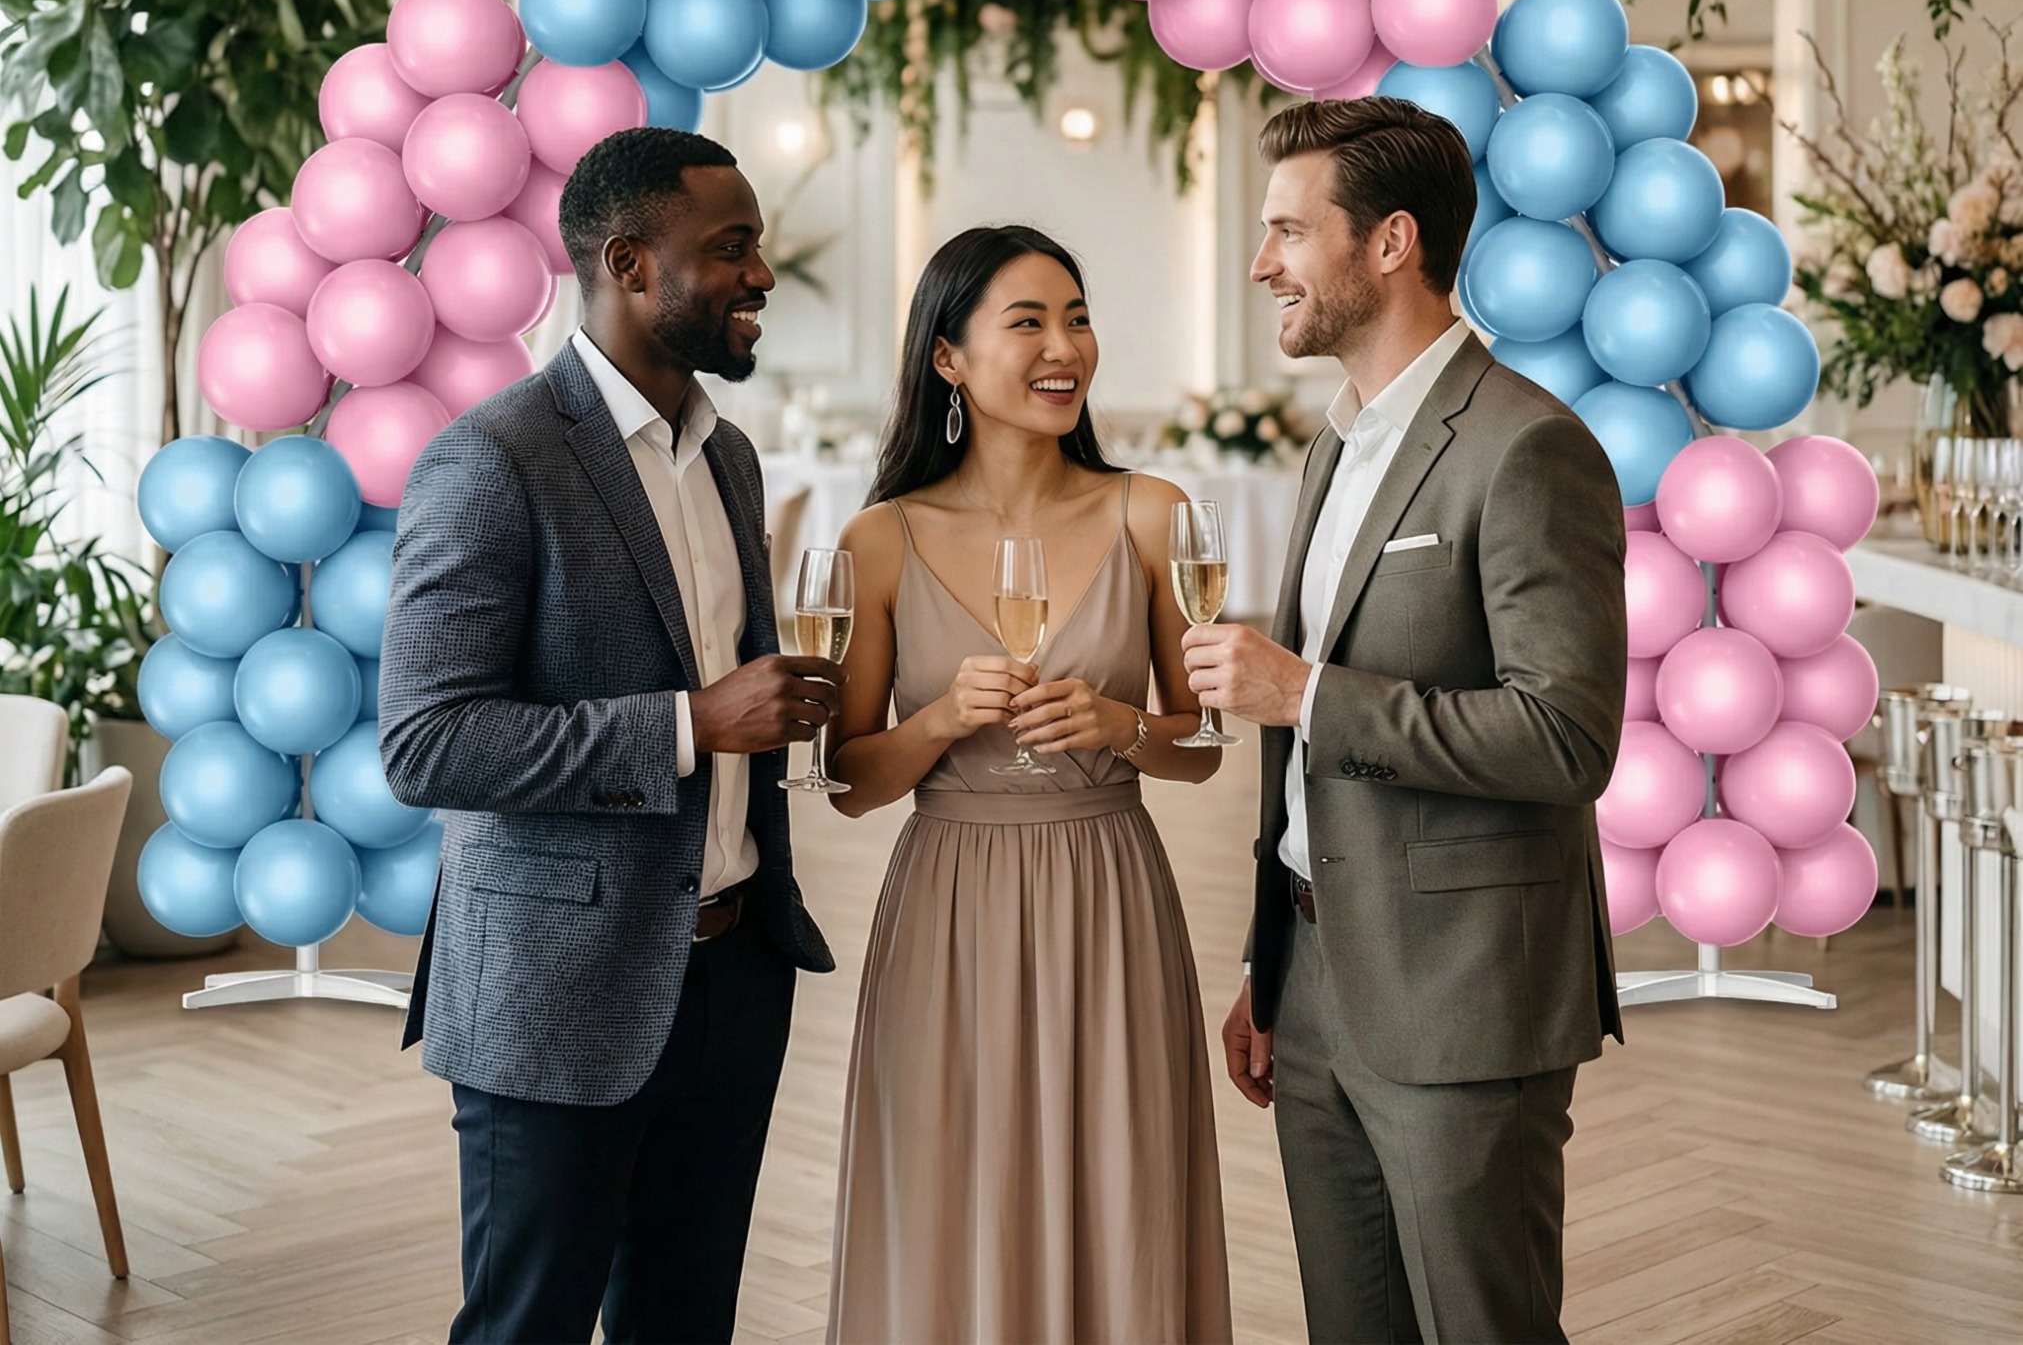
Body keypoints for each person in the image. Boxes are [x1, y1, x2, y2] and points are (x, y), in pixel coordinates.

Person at [378, 126, 841, 1345]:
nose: (761, 275)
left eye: (759, 246)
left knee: (685, 1325)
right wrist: (693, 722)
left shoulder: (728, 457)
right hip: (556, 991)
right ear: (630, 262)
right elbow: (427, 744)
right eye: (730, 247)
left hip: (733, 975)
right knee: (526, 1324)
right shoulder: (492, 460)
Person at [1183, 96, 1627, 1345]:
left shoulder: (1529, 446)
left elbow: (1565, 739)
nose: (1261, 261)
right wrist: (1271, 969)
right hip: (1317, 982)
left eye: (1286, 230)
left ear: (1389, 243)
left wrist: (1305, 694)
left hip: (1462, 997)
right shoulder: (1337, 449)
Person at [822, 224, 1233, 1345]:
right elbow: (849, 783)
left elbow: (1202, 747)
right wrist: (944, 720)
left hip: (1108, 894)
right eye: (1029, 322)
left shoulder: (1152, 514)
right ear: (947, 358)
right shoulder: (879, 538)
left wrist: (1124, 725)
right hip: (947, 904)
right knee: (951, 1187)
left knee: (1123, 1181)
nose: (1066, 348)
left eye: (1079, 316)